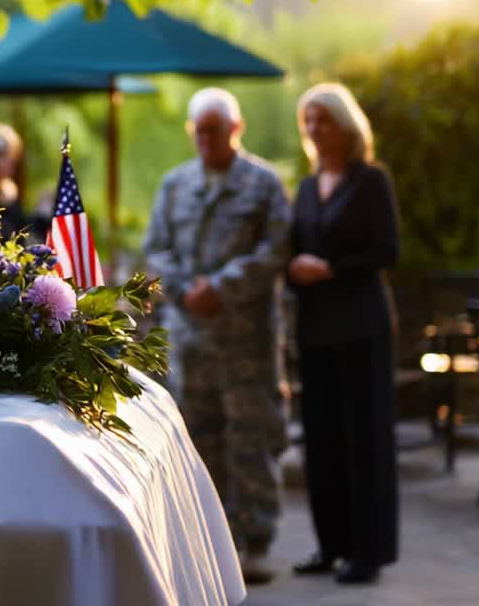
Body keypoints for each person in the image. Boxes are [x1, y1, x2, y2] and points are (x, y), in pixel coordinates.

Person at [142, 87, 291, 585]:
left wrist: (221, 287)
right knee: (198, 438)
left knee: (252, 437)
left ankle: (255, 541)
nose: (206, 138)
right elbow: (157, 250)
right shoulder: (175, 185)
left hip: (245, 341)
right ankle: (206, 540)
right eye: (199, 130)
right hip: (190, 338)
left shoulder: (264, 183)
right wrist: (186, 290)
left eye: (216, 129)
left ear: (236, 128)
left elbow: (275, 251)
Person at [287, 82, 400, 585]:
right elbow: (294, 248)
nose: (315, 129)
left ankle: (367, 552)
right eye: (308, 120)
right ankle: (330, 545)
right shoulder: (308, 188)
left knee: (364, 440)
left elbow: (388, 251)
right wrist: (294, 267)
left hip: (361, 327)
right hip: (315, 331)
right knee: (323, 441)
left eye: (323, 119)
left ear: (345, 125)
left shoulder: (372, 181)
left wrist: (329, 268)